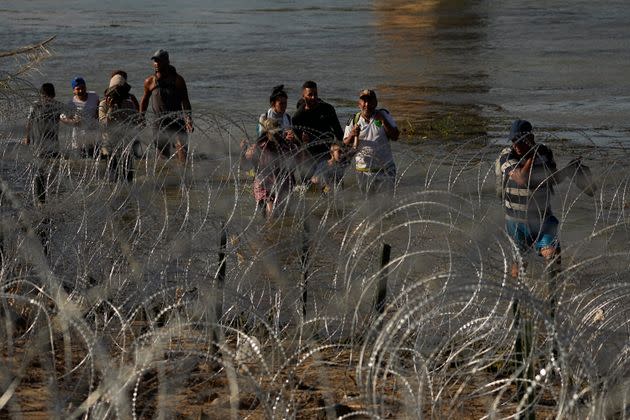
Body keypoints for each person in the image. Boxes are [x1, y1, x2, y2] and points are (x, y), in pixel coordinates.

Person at [498, 120, 579, 315]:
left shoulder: (545, 152)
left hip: (543, 219)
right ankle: (517, 307)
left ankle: (553, 304)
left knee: (552, 257)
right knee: (520, 265)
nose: (516, 145)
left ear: (530, 138)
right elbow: (520, 179)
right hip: (516, 221)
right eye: (514, 141)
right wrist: (530, 157)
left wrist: (569, 170)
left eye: (520, 141)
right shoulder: (505, 155)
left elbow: (552, 178)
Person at [139, 49, 193, 163]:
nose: (156, 64)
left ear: (167, 62)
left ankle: (184, 176)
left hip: (177, 121)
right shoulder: (150, 81)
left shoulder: (178, 80)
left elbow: (185, 101)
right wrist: (141, 117)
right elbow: (144, 101)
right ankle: (167, 178)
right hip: (159, 122)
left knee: (182, 150)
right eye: (155, 61)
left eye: (159, 61)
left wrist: (188, 119)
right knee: (163, 156)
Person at [342, 89, 399, 195]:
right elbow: (344, 145)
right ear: (359, 104)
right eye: (364, 101)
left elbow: (395, 136)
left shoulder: (384, 115)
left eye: (370, 101)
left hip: (386, 170)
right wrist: (352, 135)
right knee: (368, 203)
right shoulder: (354, 120)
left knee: (388, 205)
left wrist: (383, 120)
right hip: (364, 172)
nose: (367, 105)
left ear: (376, 103)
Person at [244, 119, 298, 219]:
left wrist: (295, 141)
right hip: (265, 184)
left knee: (282, 216)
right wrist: (245, 150)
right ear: (267, 133)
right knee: (271, 213)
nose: (276, 135)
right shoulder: (260, 147)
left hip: (282, 184)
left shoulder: (285, 146)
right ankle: (269, 232)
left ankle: (272, 231)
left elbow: (296, 160)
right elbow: (246, 163)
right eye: (274, 133)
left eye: (278, 132)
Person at [24, 83, 67, 204]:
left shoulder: (57, 106)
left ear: (53, 95)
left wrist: (73, 120)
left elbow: (64, 118)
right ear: (41, 95)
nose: (47, 99)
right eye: (45, 96)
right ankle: (41, 200)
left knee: (53, 173)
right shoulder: (35, 106)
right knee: (40, 173)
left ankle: (53, 197)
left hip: (53, 145)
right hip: (39, 145)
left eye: (49, 96)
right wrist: (27, 137)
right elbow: (29, 122)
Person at [292, 81, 344, 180]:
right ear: (303, 96)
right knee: (306, 186)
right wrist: (301, 141)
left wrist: (337, 154)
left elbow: (339, 134)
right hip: (308, 155)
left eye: (315, 94)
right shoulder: (298, 116)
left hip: (326, 152)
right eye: (310, 95)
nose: (313, 97)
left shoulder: (327, 109)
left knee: (330, 183)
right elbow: (296, 143)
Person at [99, 74, 141, 182]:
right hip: (109, 146)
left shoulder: (129, 104)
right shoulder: (103, 105)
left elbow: (134, 124)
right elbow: (105, 125)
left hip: (126, 146)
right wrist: (111, 108)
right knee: (112, 179)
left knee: (128, 178)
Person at [65, 76, 100, 158]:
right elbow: (63, 117)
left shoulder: (94, 96)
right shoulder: (71, 103)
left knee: (95, 163)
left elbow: (99, 107)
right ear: (74, 90)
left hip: (94, 139)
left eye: (83, 88)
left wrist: (97, 114)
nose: (81, 90)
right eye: (78, 89)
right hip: (79, 141)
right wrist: (72, 122)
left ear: (86, 87)